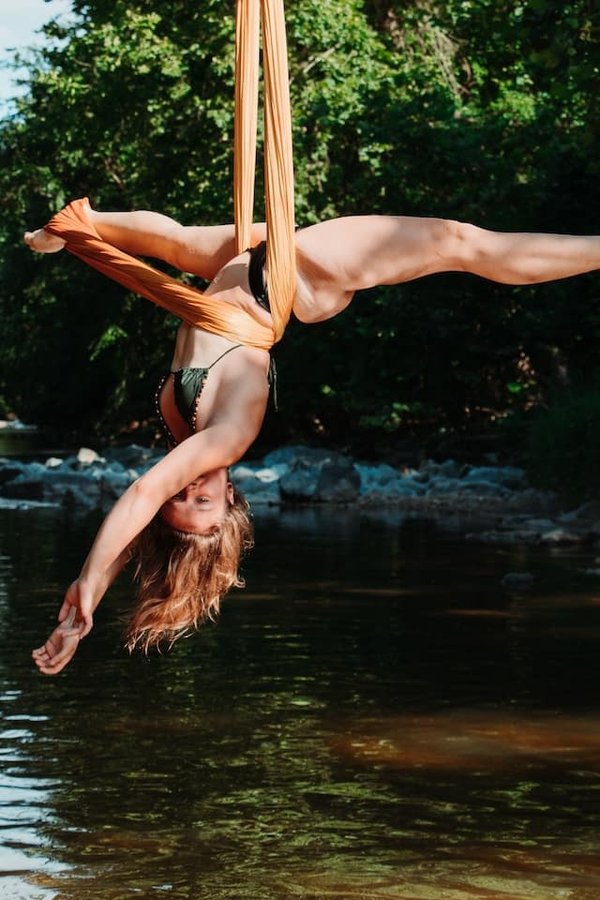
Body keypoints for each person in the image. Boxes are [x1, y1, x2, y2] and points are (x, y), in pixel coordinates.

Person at [26, 198, 600, 674]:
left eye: (182, 497)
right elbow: (144, 499)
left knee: (176, 242)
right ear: (231, 497)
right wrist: (87, 587)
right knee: (460, 242)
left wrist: (89, 588)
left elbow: (139, 517)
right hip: (292, 277)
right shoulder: (227, 437)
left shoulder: (181, 429)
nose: (191, 487)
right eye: (204, 502)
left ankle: (76, 223)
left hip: (243, 276)